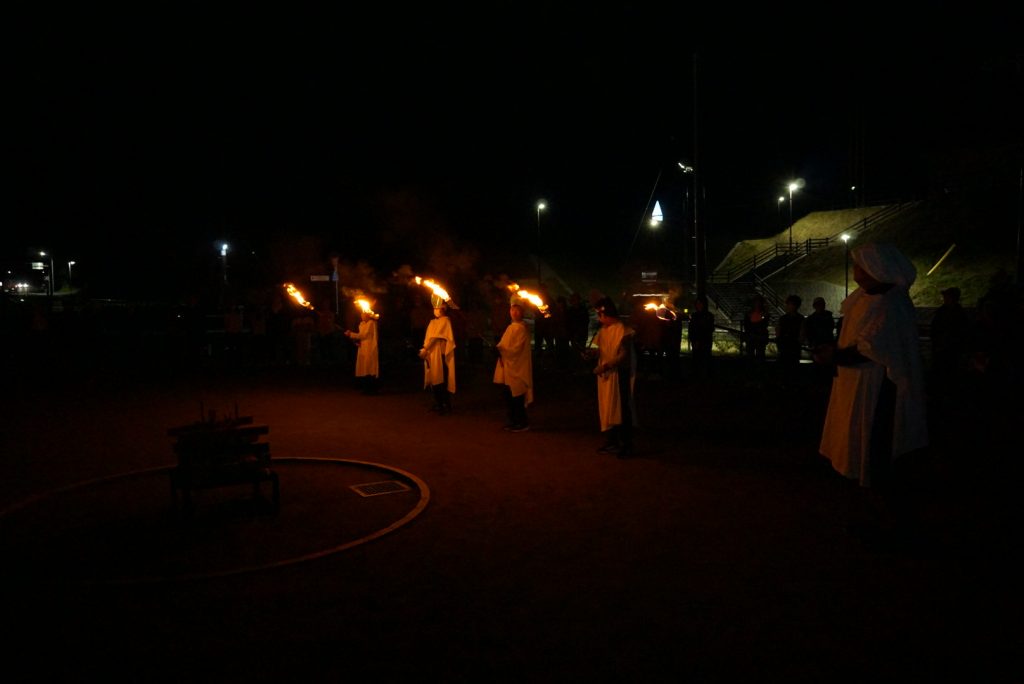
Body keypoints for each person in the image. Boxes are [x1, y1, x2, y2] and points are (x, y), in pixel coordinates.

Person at [819, 243, 928, 542]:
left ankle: (892, 525)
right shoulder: (864, 299)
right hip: (857, 386)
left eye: (860, 265)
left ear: (876, 268)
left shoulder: (891, 304)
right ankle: (875, 516)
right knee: (863, 448)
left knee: (877, 450)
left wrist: (834, 356)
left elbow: (873, 348)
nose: (856, 272)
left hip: (879, 390)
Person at [588, 297, 637, 458]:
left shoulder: (623, 330)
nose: (598, 318)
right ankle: (612, 441)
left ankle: (626, 444)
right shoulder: (604, 330)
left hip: (620, 375)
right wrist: (592, 353)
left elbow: (623, 355)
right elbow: (602, 349)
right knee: (608, 405)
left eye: (599, 315)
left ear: (606, 314)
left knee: (621, 408)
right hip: (607, 376)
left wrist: (605, 366)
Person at [493, 303, 533, 431]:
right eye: (512, 310)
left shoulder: (521, 328)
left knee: (517, 395)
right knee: (509, 395)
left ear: (522, 313)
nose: (514, 313)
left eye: (517, 310)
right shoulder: (511, 327)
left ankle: (522, 422)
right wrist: (498, 349)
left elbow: (516, 349)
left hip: (517, 367)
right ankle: (514, 420)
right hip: (509, 366)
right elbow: (504, 344)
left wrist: (501, 351)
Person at [420, 300, 456, 414]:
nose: (435, 310)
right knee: (433, 378)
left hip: (440, 354)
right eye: (434, 308)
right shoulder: (432, 322)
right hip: (431, 353)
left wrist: (426, 348)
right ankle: (438, 403)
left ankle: (446, 405)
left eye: (437, 308)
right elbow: (429, 337)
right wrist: (425, 348)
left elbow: (436, 337)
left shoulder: (445, 320)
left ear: (443, 309)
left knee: (441, 379)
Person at [345, 307, 380, 395]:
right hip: (363, 347)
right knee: (364, 366)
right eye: (361, 314)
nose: (362, 315)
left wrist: (351, 334)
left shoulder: (371, 323)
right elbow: (361, 336)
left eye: (364, 313)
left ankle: (372, 388)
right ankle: (366, 388)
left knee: (369, 366)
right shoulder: (362, 324)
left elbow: (364, 335)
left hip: (369, 347)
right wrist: (356, 340)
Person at [775, 294, 805, 383]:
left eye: (789, 304)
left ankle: (786, 384)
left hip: (789, 346)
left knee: (788, 367)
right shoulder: (799, 318)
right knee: (791, 367)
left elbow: (778, 331)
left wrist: (779, 341)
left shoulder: (784, 318)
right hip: (791, 346)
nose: (788, 306)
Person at [687, 294, 715, 380]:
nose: (698, 305)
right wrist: (693, 340)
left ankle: (705, 376)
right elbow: (691, 329)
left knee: (705, 359)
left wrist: (699, 340)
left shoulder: (709, 316)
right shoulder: (694, 315)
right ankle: (697, 376)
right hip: (696, 341)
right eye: (697, 303)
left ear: (704, 304)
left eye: (700, 303)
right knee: (696, 359)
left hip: (705, 342)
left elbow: (709, 329)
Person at [741, 294, 770, 362]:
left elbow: (764, 323)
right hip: (753, 336)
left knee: (759, 355)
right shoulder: (750, 314)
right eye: (756, 302)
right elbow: (747, 325)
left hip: (758, 337)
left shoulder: (763, 314)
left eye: (759, 302)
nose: (757, 304)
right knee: (751, 355)